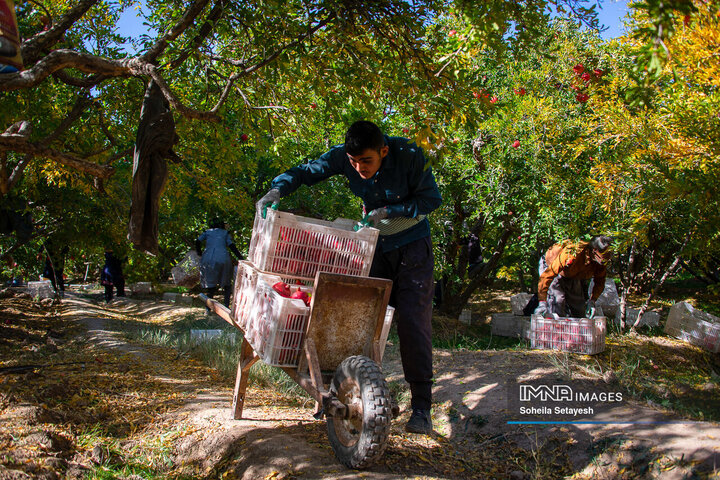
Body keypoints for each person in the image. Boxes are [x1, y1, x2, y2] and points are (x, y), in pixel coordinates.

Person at [256, 120, 442, 434]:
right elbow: (306, 171)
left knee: (412, 322)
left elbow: (431, 201)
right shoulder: (345, 157)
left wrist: (390, 211)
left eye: (366, 161)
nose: (358, 168)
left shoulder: (410, 154)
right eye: (353, 162)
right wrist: (277, 189)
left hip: (412, 250)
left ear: (383, 150)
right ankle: (345, 392)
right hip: (374, 247)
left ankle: (422, 408)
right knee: (354, 317)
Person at [534, 235, 613, 318]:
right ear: (594, 251)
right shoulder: (572, 253)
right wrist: (542, 302)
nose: (606, 261)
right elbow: (548, 275)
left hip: (572, 274)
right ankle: (555, 329)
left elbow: (600, 281)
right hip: (551, 267)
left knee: (579, 307)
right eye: (604, 259)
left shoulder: (600, 262)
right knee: (558, 301)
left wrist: (592, 301)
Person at [196, 219, 243, 309]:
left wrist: (199, 253)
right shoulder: (225, 233)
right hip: (223, 258)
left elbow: (197, 241)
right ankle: (226, 306)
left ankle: (208, 309)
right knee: (227, 284)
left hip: (208, 259)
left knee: (211, 287)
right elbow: (231, 246)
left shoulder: (207, 232)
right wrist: (240, 257)